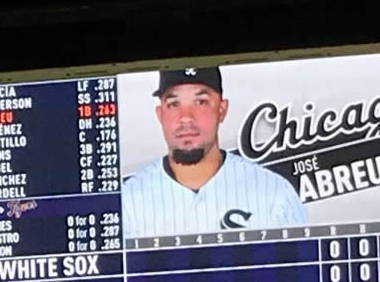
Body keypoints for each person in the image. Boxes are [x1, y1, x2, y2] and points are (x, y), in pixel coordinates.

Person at [119, 67, 307, 239]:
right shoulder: (127, 201)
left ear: (222, 109)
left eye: (201, 102)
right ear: (160, 114)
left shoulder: (273, 192)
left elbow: (302, 272)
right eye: (174, 104)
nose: (186, 117)